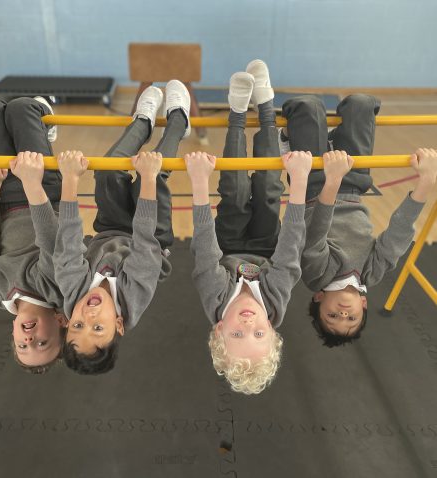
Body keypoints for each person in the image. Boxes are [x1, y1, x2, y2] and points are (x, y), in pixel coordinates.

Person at [186, 60, 311, 394]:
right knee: (271, 186)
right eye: (258, 333)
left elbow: (204, 245)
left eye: (237, 334)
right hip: (267, 245)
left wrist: (199, 181)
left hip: (225, 244)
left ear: (218, 329)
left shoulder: (214, 298)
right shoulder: (274, 302)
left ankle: (238, 113)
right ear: (271, 327)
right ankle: (267, 106)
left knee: (236, 189)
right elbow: (289, 250)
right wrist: (298, 181)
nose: (248, 324)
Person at [53, 80, 190, 374]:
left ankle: (142, 121)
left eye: (78, 324)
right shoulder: (134, 297)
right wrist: (150, 177)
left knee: (107, 172)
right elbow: (145, 241)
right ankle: (179, 120)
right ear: (118, 325)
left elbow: (69, 237)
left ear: (67, 321)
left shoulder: (71, 290)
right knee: (151, 176)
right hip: (152, 239)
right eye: (98, 326)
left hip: (111, 231)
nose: (88, 314)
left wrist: (70, 180)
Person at [280, 94, 437, 347]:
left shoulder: (316, 277)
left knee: (307, 107)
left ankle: (293, 138)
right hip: (353, 187)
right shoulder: (371, 274)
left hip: (316, 185)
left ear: (319, 298)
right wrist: (426, 182)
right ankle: (330, 139)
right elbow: (397, 235)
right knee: (361, 104)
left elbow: (317, 232)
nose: (343, 313)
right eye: (351, 318)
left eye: (332, 317)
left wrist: (332, 179)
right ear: (363, 305)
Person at [0, 96, 66, 373]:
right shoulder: (56, 290)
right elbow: (51, 237)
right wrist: (32, 181)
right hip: (43, 191)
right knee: (23, 107)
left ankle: (4, 120)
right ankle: (41, 118)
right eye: (42, 343)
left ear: (13, 334)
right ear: (60, 322)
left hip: (6, 199)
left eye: (23, 346)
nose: (30, 339)